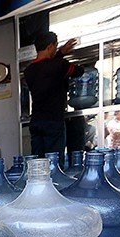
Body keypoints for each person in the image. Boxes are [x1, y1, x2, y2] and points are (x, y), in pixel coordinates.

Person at [24, 31, 84, 163]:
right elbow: (79, 71)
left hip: (36, 122)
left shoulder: (29, 71)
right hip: (53, 121)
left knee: (38, 163)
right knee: (54, 164)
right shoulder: (59, 65)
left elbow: (45, 66)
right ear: (50, 46)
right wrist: (61, 54)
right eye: (55, 47)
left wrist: (60, 53)